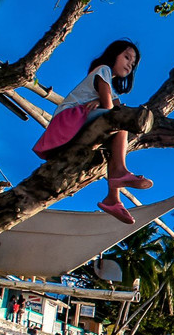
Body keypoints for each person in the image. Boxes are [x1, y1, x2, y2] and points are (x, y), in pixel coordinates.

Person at [33, 40, 152, 224]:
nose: (130, 64)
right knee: (120, 121)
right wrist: (104, 103)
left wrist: (101, 103)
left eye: (133, 63)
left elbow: (114, 105)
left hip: (79, 122)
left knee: (114, 140)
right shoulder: (102, 69)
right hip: (68, 119)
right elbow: (113, 109)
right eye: (127, 57)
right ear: (114, 55)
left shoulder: (112, 90)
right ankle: (119, 173)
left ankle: (113, 198)